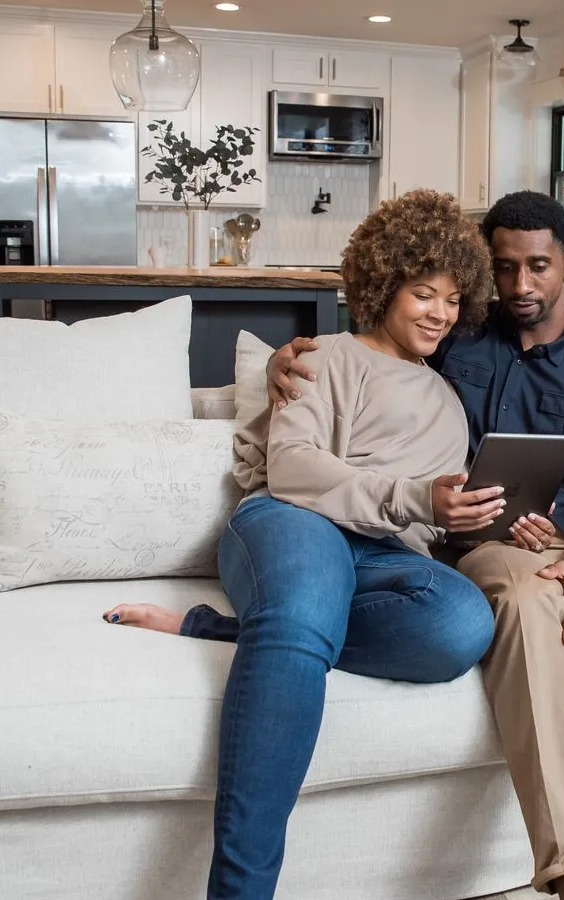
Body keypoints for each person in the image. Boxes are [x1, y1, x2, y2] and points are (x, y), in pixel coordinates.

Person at [266, 191, 564, 898]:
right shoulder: (458, 339)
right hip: (499, 542)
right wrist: (285, 360)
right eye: (504, 269)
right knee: (526, 601)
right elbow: (380, 343)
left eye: (538, 267)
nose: (521, 286)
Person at [104, 189, 513, 900]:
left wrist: (471, 515)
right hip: (292, 525)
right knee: (311, 589)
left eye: (452, 300)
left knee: (464, 622)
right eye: (423, 293)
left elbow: (424, 526)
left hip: (385, 556)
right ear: (383, 287)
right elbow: (293, 471)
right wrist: (415, 496)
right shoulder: (322, 358)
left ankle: (249, 634)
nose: (439, 314)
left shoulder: (449, 403)